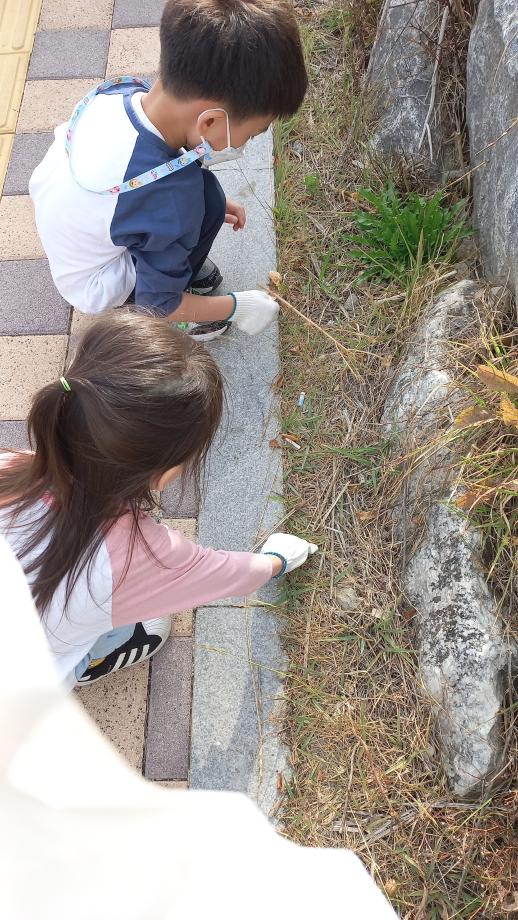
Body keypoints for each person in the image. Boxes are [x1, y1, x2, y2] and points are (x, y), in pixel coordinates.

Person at [0, 311, 317, 690]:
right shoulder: (136, 555)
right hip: (30, 682)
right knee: (155, 625)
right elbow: (223, 572)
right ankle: (87, 663)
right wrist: (278, 560)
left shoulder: (9, 465)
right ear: (166, 473)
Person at [29, 0, 308, 341]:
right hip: (93, 283)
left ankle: (169, 264)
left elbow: (146, 192)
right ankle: (177, 318)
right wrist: (238, 305)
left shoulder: (121, 93)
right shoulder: (175, 198)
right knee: (197, 199)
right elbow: (159, 303)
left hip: (70, 230)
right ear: (209, 121)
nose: (243, 146)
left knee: (202, 197)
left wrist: (201, 209)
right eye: (248, 135)